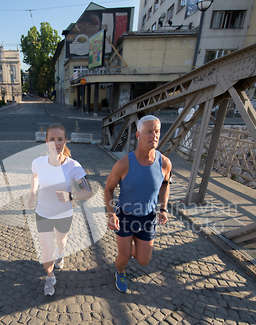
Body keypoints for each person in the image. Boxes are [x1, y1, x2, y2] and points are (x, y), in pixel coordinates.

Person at [104, 115, 172, 293]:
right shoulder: (123, 164)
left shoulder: (165, 163)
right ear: (138, 135)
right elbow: (108, 189)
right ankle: (119, 271)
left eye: (157, 132)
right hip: (125, 216)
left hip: (148, 218)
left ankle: (131, 245)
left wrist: (163, 208)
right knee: (124, 257)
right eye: (149, 132)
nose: (154, 136)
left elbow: (165, 185)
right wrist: (111, 214)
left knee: (144, 260)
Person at [28, 124, 93, 296]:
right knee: (46, 249)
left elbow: (88, 191)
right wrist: (32, 193)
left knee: (60, 242)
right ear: (46, 141)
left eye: (60, 139)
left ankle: (61, 254)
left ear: (65, 141)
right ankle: (50, 278)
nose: (56, 143)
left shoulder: (74, 166)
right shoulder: (38, 163)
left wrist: (71, 196)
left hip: (64, 214)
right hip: (42, 213)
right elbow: (34, 176)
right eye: (52, 139)